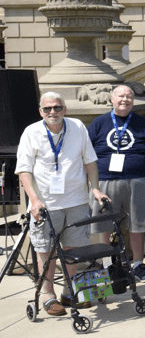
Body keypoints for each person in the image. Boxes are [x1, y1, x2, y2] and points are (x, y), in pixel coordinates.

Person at [17, 92, 109, 317]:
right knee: (45, 251)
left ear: (65, 109)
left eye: (57, 108)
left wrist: (94, 188)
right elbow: (24, 170)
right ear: (41, 111)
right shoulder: (31, 132)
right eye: (47, 109)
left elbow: (90, 160)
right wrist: (35, 200)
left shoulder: (77, 126)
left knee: (72, 249)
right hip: (46, 204)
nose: (53, 113)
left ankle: (70, 291)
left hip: (76, 200)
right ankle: (48, 295)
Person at [88, 85, 145, 283]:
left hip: (139, 182)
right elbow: (86, 154)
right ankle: (108, 266)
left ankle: (138, 264)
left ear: (133, 101)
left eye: (129, 96)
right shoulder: (99, 123)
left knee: (137, 224)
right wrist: (91, 184)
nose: (125, 99)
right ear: (112, 99)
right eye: (121, 96)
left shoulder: (143, 123)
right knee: (105, 225)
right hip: (105, 182)